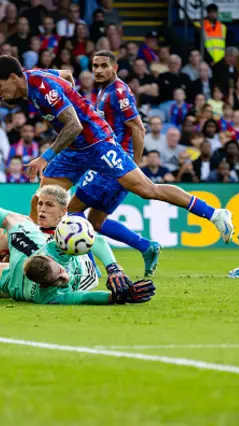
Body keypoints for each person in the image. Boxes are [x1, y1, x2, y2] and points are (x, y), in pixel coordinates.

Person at [0, 55, 234, 242]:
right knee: (41, 199)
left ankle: (214, 214)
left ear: (13, 77)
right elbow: (65, 74)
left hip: (98, 142)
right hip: (74, 149)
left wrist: (45, 157)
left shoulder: (42, 88)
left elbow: (73, 125)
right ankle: (33, 250)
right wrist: (73, 96)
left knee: (147, 190)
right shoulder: (32, 78)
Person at [0, 176, 155, 305]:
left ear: (64, 210)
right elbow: (85, 297)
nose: (41, 209)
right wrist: (117, 283)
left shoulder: (61, 238)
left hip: (21, 275)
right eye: (40, 204)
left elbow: (94, 241)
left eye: (48, 205)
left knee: (10, 227)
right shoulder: (56, 291)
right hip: (17, 283)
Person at [66, 51, 162, 276]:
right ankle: (146, 247)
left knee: (73, 209)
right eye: (95, 66)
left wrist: (134, 166)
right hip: (111, 161)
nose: (98, 70)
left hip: (115, 162)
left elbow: (138, 128)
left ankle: (88, 269)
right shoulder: (103, 91)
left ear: (115, 68)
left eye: (103, 66)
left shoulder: (118, 92)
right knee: (96, 222)